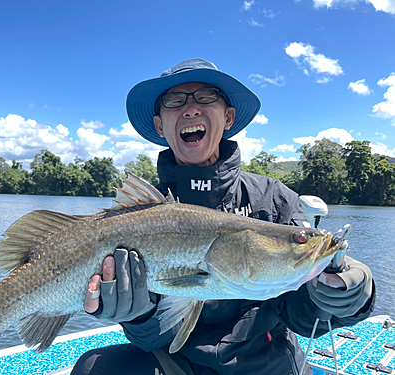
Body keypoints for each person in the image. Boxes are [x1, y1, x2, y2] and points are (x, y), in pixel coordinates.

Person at [72, 58, 375, 375]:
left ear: (228, 117)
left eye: (205, 96)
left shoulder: (275, 199)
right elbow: (152, 339)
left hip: (268, 364)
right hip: (178, 363)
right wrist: (137, 316)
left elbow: (301, 315)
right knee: (96, 368)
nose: (190, 109)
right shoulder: (138, 214)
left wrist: (347, 294)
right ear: (160, 125)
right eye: (174, 101)